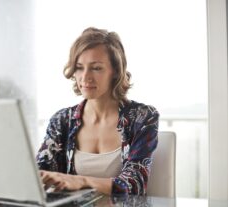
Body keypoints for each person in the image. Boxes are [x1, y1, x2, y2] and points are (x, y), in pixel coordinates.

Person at [36, 27, 159, 196]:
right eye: (79, 67)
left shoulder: (142, 117)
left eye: (96, 68)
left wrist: (81, 181)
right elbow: (38, 176)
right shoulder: (62, 120)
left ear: (115, 71)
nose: (85, 77)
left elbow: (135, 184)